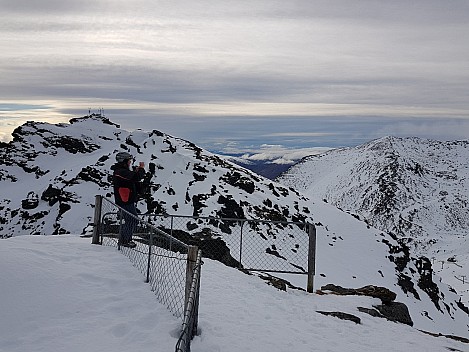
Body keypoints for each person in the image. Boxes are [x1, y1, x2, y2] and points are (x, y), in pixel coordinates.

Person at [111, 151, 145, 248]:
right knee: (132, 220)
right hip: (125, 201)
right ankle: (125, 240)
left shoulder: (120, 171)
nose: (130, 163)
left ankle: (124, 240)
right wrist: (141, 169)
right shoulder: (121, 172)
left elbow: (132, 177)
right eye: (129, 161)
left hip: (126, 199)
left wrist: (136, 172)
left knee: (130, 220)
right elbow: (136, 177)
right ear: (124, 161)